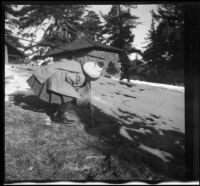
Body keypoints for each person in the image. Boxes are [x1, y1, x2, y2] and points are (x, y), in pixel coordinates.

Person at [27, 58, 104, 124]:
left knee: (57, 96)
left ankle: (50, 109)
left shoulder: (77, 64)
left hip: (48, 72)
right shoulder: (81, 76)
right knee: (69, 97)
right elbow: (69, 80)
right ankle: (59, 117)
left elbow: (62, 62)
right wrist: (75, 89)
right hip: (54, 77)